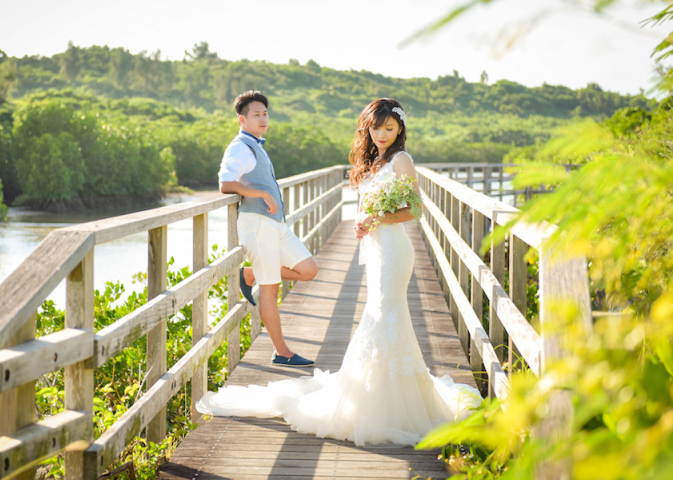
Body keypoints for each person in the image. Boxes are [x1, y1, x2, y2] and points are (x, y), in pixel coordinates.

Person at [198, 98, 481, 447]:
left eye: (389, 129)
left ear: (400, 130)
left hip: (395, 250)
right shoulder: (373, 161)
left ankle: (385, 395)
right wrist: (363, 223)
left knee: (384, 314)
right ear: (368, 128)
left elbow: (416, 210)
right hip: (376, 250)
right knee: (382, 314)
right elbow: (369, 205)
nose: (381, 135)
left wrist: (377, 219)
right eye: (376, 128)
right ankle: (383, 388)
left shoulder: (402, 160)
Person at [218, 90, 319, 367]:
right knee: (270, 288)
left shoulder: (257, 145)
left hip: (275, 225)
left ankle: (251, 273)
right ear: (242, 119)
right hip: (257, 223)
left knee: (309, 269)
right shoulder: (240, 147)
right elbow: (226, 184)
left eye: (265, 114)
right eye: (256, 115)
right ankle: (281, 352)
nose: (263, 119)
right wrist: (260, 194)